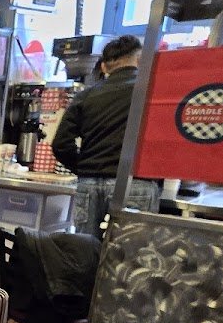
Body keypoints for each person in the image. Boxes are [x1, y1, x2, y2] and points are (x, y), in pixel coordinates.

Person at [52, 34, 160, 237]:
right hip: (134, 183)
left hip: (89, 185)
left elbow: (61, 144)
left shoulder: (86, 95)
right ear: (140, 60)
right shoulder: (152, 92)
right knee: (129, 252)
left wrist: (85, 168)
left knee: (85, 249)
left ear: (103, 67)